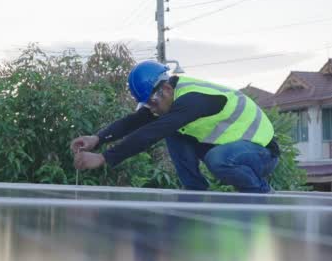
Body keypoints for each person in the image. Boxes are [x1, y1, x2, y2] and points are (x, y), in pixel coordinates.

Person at [70, 60, 280, 193]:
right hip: (232, 148)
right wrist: (97, 139)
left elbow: (150, 133)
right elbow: (135, 121)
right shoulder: (166, 101)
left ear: (167, 90)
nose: (150, 108)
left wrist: (104, 158)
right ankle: (196, 190)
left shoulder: (192, 100)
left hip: (262, 152)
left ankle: (260, 192)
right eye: (147, 104)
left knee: (218, 159)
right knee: (173, 132)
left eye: (152, 103)